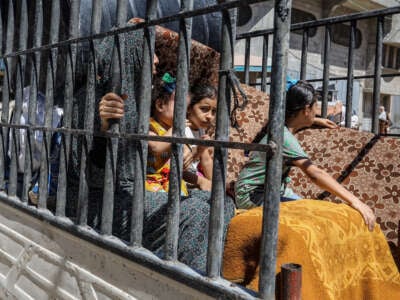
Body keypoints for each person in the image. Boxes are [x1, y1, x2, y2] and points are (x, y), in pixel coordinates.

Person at [82, 26, 235, 273]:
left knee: (221, 202)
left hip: (140, 193)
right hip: (103, 199)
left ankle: (211, 271)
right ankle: (193, 283)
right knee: (193, 212)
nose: (156, 59)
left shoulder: (137, 103)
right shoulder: (101, 98)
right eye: (149, 52)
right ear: (128, 54)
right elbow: (91, 170)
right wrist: (103, 129)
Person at [235, 80, 376, 232]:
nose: (317, 111)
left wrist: (314, 120)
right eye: (315, 107)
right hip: (253, 195)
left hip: (270, 190)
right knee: (313, 218)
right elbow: (314, 173)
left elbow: (294, 117)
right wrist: (355, 201)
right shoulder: (284, 138)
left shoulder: (280, 126)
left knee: (317, 210)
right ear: (305, 110)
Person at [183, 84, 218, 191]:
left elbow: (206, 161)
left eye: (213, 111)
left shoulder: (201, 131)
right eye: (204, 109)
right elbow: (179, 166)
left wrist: (216, 188)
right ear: (189, 108)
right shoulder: (182, 130)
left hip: (195, 181)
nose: (209, 116)